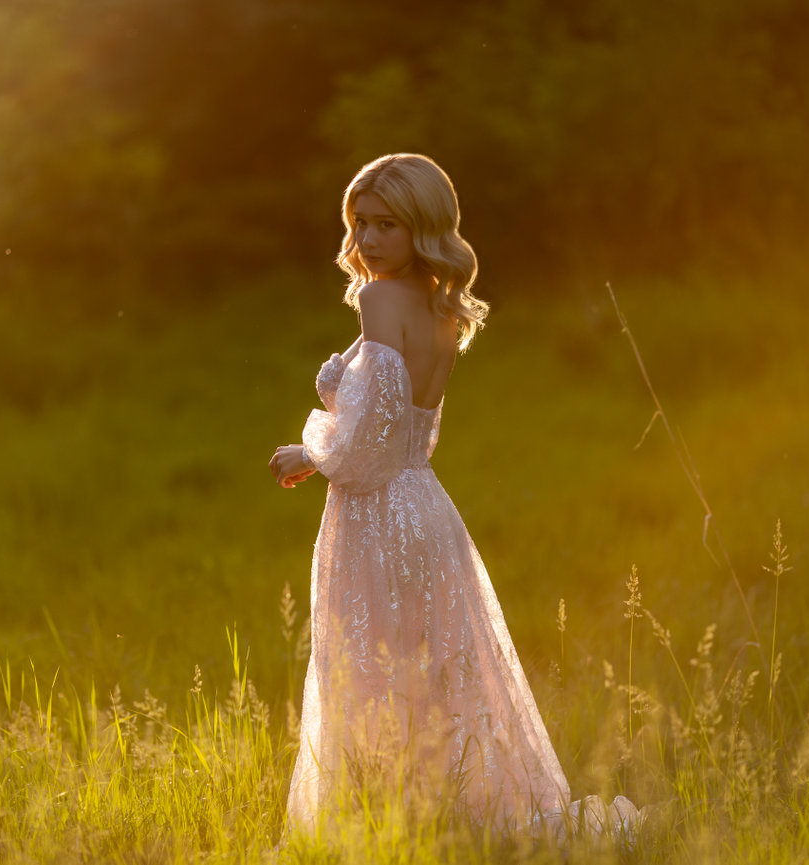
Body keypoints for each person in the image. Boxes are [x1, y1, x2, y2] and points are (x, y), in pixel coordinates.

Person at [269, 154, 638, 841]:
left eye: (388, 224)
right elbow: (413, 427)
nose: (370, 239)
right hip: (426, 508)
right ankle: (450, 817)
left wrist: (313, 454)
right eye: (361, 223)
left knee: (372, 669)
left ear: (424, 227)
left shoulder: (381, 300)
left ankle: (386, 824)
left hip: (378, 512)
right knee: (435, 668)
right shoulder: (442, 307)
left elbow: (375, 423)